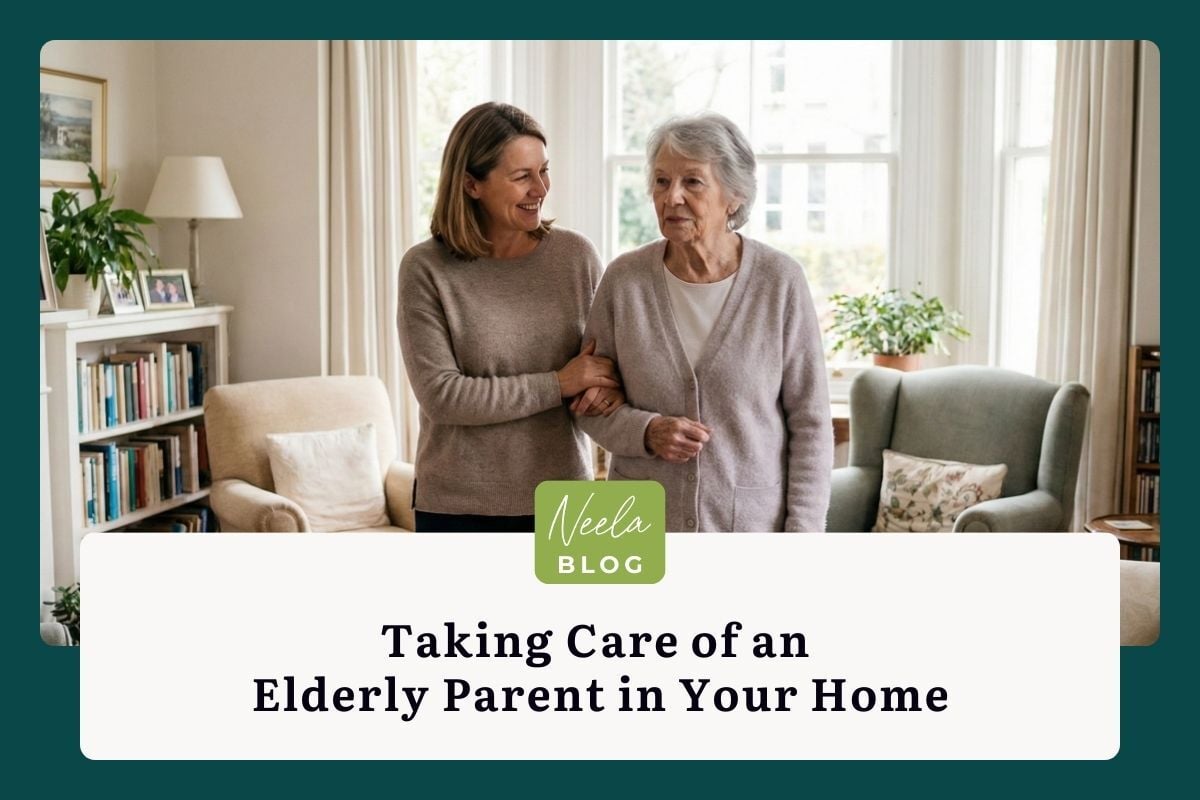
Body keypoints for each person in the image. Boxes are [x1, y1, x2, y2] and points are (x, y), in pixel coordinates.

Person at [574, 113, 832, 532]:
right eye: (661, 181)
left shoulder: (779, 281)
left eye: (692, 182)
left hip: (747, 528)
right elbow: (589, 406)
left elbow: (811, 423)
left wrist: (802, 534)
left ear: (734, 196)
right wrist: (647, 431)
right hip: (635, 528)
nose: (672, 197)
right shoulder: (624, 280)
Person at [398, 102, 622, 533]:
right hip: (458, 507)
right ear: (471, 185)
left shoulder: (575, 257)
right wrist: (558, 383)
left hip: (566, 500)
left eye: (544, 170)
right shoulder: (425, 268)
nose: (540, 188)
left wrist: (599, 390)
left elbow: (603, 371)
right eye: (521, 177)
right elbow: (443, 397)